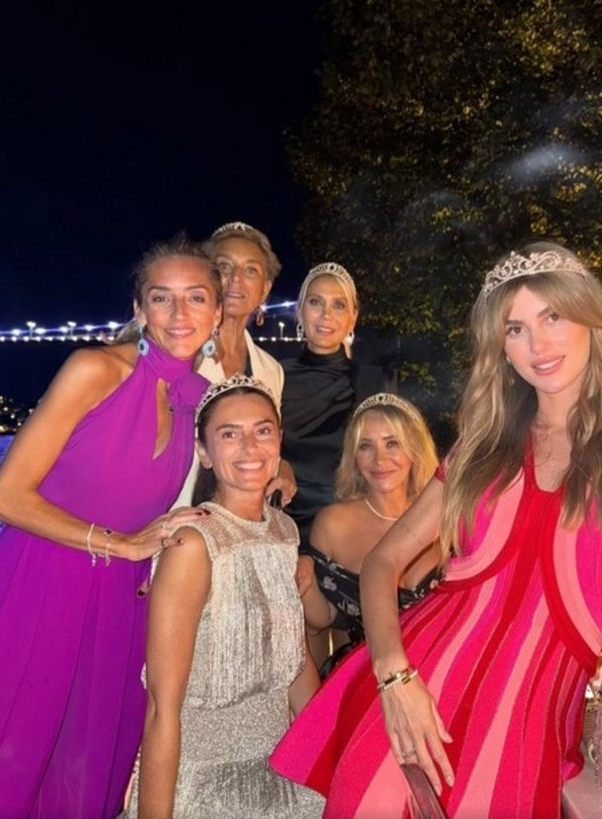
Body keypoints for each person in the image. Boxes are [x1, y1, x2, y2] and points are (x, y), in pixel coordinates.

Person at [270, 244, 602, 819]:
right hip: (407, 713)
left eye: (552, 316)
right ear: (501, 347)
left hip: (524, 734)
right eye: (516, 328)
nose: (538, 343)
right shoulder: (483, 447)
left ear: (590, 316)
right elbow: (382, 562)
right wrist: (395, 679)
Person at [0, 236, 222, 819]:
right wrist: (120, 543)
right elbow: (5, 496)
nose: (179, 314)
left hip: (123, 599)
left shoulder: (198, 399)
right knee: (13, 756)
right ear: (139, 309)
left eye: (196, 298)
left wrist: (278, 473)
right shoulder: (94, 369)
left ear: (218, 313)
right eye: (162, 298)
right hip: (41, 582)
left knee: (84, 770)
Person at [122, 374, 323, 819]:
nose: (250, 447)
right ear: (204, 453)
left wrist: (331, 753)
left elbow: (294, 664)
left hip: (282, 773)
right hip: (204, 788)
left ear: (279, 441)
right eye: (229, 434)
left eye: (262, 430)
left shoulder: (284, 531)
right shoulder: (193, 544)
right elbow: (162, 708)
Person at [296, 392, 441, 675]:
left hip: (444, 672)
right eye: (366, 446)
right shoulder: (334, 524)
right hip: (364, 676)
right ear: (353, 456)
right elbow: (323, 619)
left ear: (414, 449)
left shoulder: (445, 516)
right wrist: (305, 579)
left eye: (392, 443)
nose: (379, 459)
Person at [173, 220, 293, 507]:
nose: (236, 278)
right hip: (174, 516)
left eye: (250, 270)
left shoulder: (271, 370)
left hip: (241, 519)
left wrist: (282, 466)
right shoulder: (176, 355)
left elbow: (256, 442)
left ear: (265, 289)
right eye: (224, 267)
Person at [281, 261, 391, 545]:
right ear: (300, 310)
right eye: (316, 302)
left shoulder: (373, 382)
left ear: (353, 318)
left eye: (339, 305)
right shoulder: (273, 374)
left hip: (350, 521)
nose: (326, 315)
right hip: (281, 516)